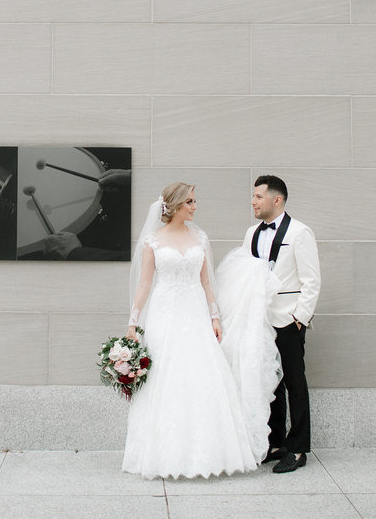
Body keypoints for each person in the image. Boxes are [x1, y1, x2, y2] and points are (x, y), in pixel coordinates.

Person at [122, 183, 278, 479]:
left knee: (202, 374)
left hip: (195, 313)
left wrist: (215, 317)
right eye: (190, 202)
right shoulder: (153, 241)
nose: (195, 207)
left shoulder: (200, 238)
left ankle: (207, 453)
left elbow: (206, 282)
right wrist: (133, 322)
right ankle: (162, 455)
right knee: (166, 377)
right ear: (175, 205)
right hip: (165, 314)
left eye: (195, 201)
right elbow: (144, 285)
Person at [244, 175, 321, 473]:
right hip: (260, 320)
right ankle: (276, 443)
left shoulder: (300, 232)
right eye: (253, 196)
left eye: (258, 196)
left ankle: (298, 449)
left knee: (294, 383)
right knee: (269, 382)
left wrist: (299, 319)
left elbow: (311, 280)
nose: (253, 201)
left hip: (288, 320)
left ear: (276, 200)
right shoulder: (251, 233)